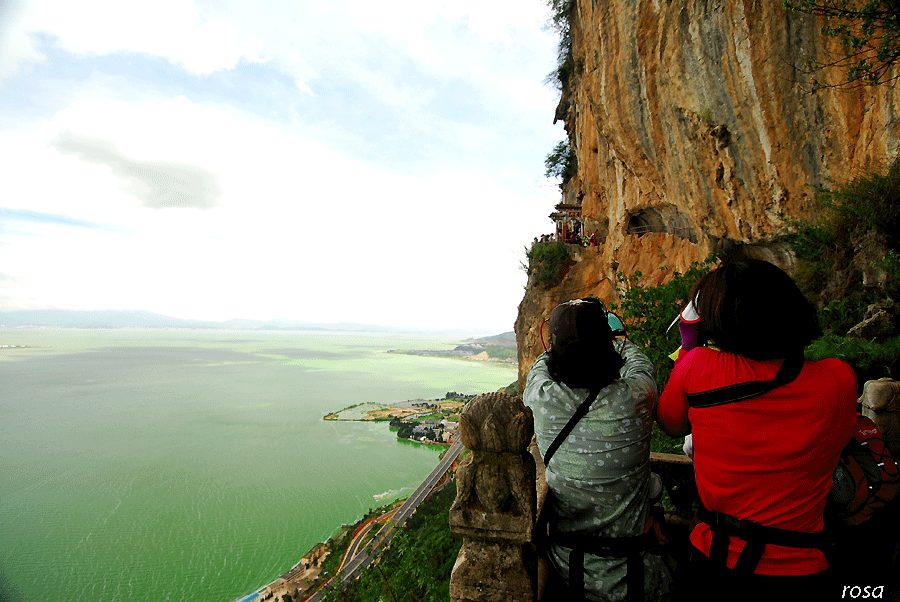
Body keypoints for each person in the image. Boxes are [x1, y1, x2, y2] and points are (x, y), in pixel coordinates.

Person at [657, 259, 857, 601]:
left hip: (716, 563)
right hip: (805, 568)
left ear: (716, 319)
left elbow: (670, 422)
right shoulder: (839, 379)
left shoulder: (698, 367)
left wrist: (690, 341)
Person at [525, 298, 673, 602]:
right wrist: (615, 334)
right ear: (607, 346)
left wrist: (560, 339)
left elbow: (540, 364)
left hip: (569, 578)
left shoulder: (541, 397)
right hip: (640, 579)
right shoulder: (637, 396)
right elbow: (638, 360)